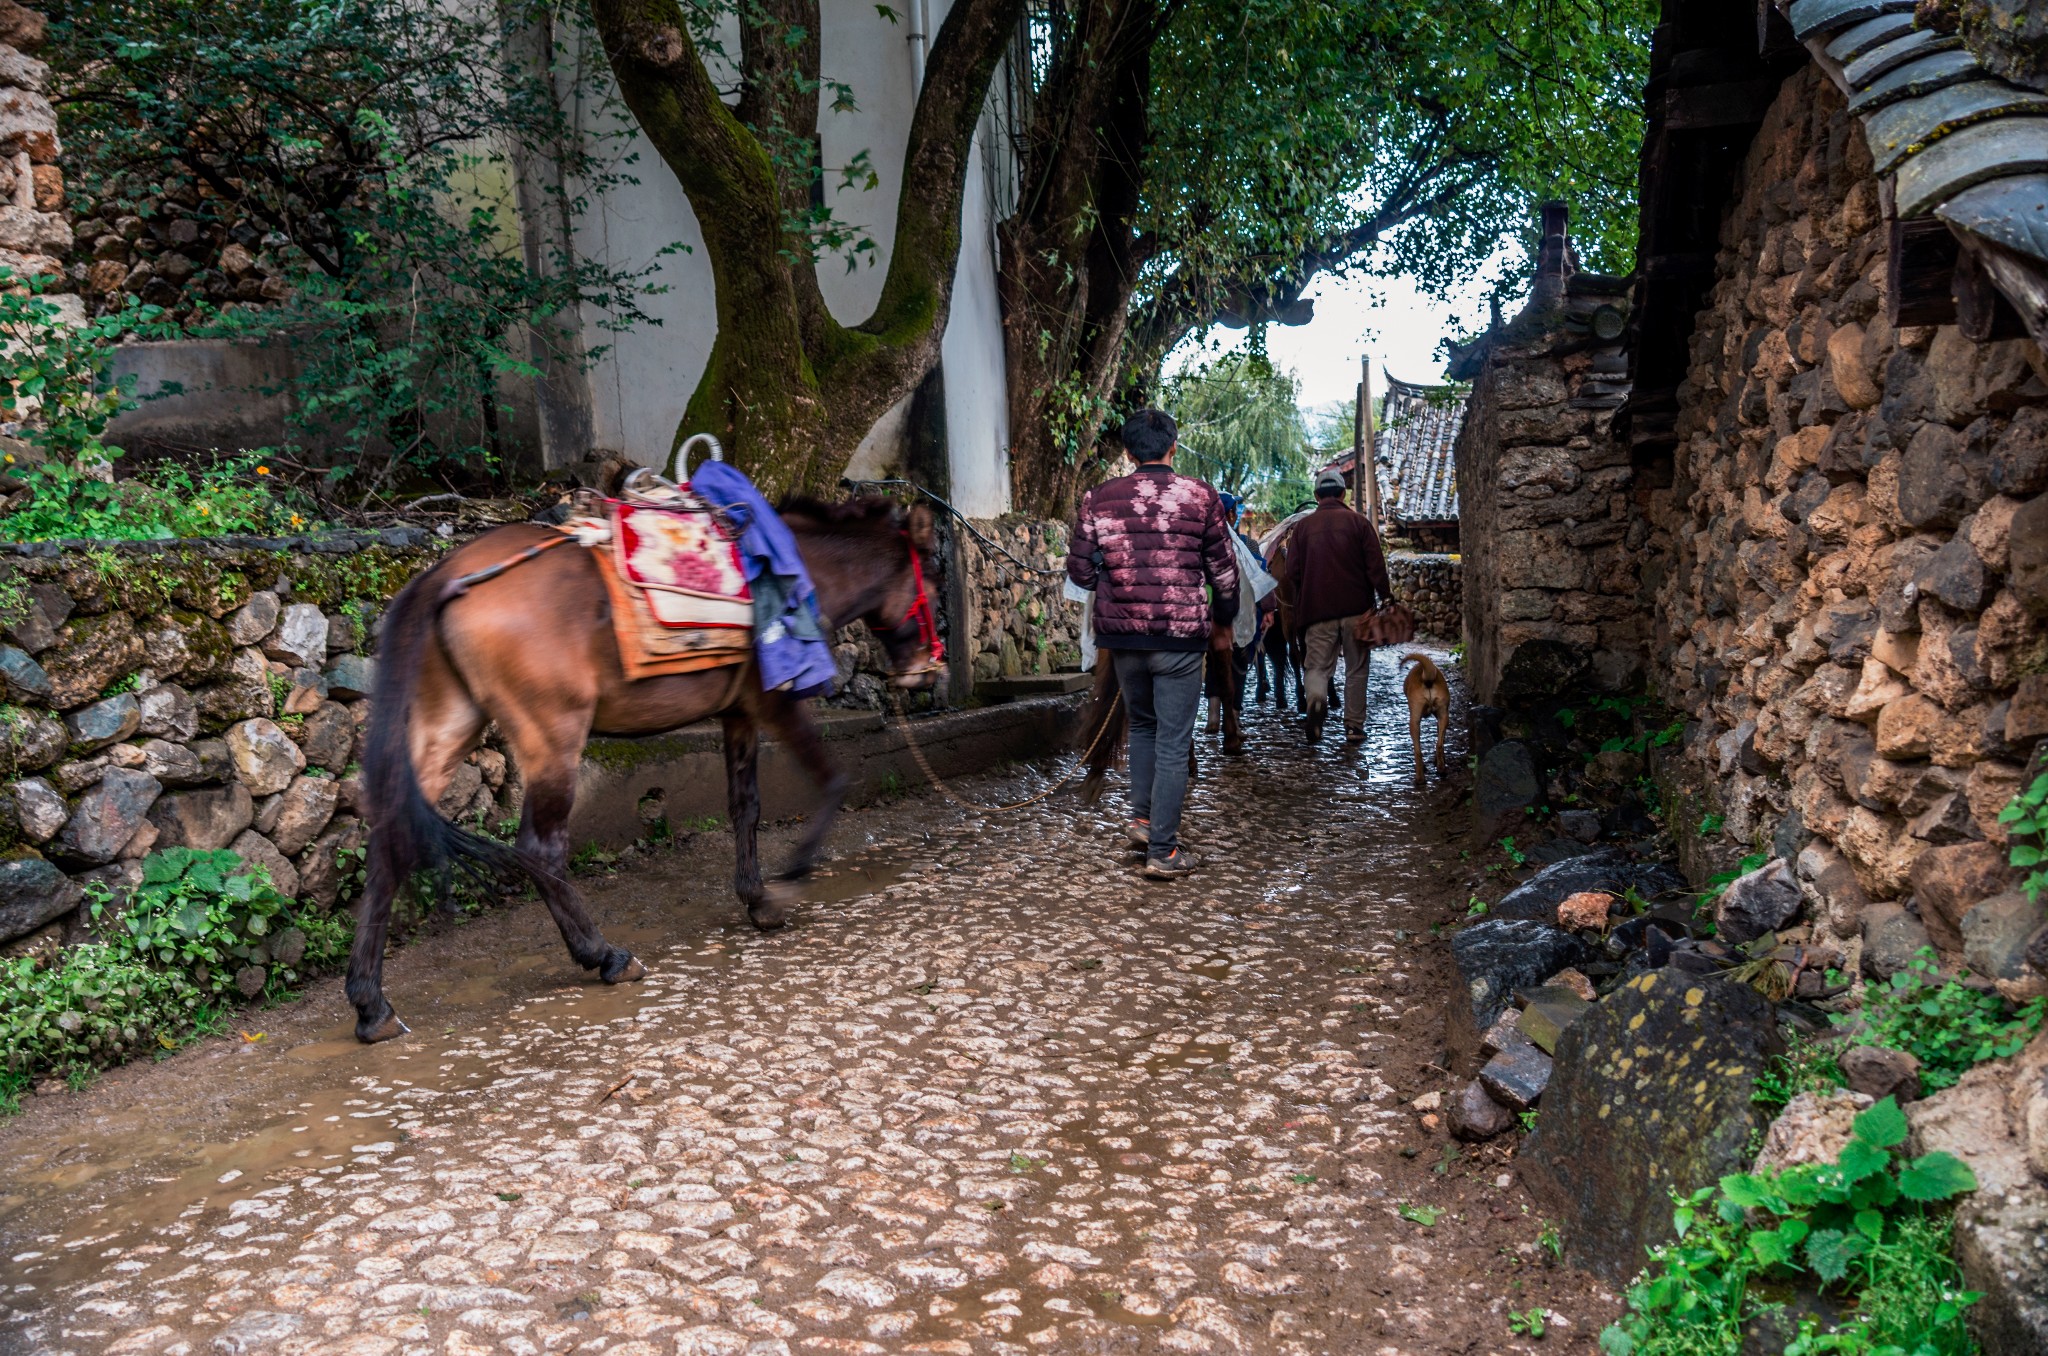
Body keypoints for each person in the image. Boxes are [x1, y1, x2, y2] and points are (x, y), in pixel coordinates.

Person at [1067, 408, 1239, 879]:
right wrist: (1223, 620)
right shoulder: (1199, 496)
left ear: (1127, 452)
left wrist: (1115, 572)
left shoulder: (1098, 499)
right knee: (1173, 736)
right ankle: (1163, 850)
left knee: (1142, 727)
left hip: (1122, 637)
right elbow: (1224, 573)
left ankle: (1142, 821)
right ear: (1173, 447)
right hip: (1181, 638)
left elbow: (1080, 571)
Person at [1284, 468, 1392, 743]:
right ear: (1343, 494)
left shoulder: (1302, 529)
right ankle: (1354, 727)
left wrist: (1299, 604)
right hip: (1358, 610)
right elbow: (1375, 566)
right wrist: (1386, 596)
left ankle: (1317, 699)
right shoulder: (1359, 523)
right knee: (1356, 668)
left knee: (1317, 667)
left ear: (1316, 495)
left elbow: (1292, 571)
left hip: (1316, 611)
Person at [1204, 492, 1277, 754]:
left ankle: (1213, 714)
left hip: (1204, 616)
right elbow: (1260, 576)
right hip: (1238, 615)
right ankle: (1231, 719)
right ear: (1232, 514)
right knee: (1237, 665)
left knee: (1212, 662)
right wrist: (1269, 608)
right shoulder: (1246, 545)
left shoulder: (1198, 541)